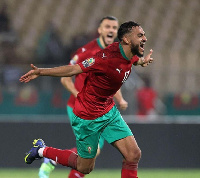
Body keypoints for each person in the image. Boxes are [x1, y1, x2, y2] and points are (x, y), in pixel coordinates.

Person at [20, 21, 153, 178]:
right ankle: (42, 151)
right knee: (84, 168)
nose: (144, 38)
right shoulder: (105, 58)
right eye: (140, 35)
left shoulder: (130, 53)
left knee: (133, 154)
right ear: (126, 40)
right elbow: (74, 69)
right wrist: (41, 72)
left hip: (108, 111)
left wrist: (142, 62)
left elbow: (132, 60)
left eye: (143, 34)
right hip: (88, 116)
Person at [39, 16, 128, 178]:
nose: (111, 30)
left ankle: (52, 159)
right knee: (92, 152)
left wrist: (120, 99)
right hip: (78, 107)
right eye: (107, 26)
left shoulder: (115, 53)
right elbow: (65, 79)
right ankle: (51, 157)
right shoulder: (86, 52)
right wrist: (79, 96)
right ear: (99, 30)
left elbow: (112, 81)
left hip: (99, 110)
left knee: (90, 154)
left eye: (114, 28)